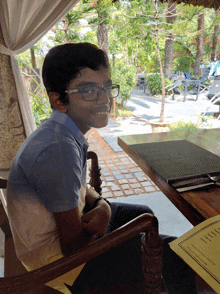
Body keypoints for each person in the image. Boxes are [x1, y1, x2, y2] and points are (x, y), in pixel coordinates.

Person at [6, 43, 198, 294]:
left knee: (145, 213)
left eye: (107, 87)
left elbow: (79, 186)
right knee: (175, 253)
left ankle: (147, 274)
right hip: (61, 266)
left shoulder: (60, 132)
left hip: (69, 232)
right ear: (58, 100)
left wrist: (102, 204)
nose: (105, 99)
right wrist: (104, 216)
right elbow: (74, 248)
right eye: (88, 91)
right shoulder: (57, 149)